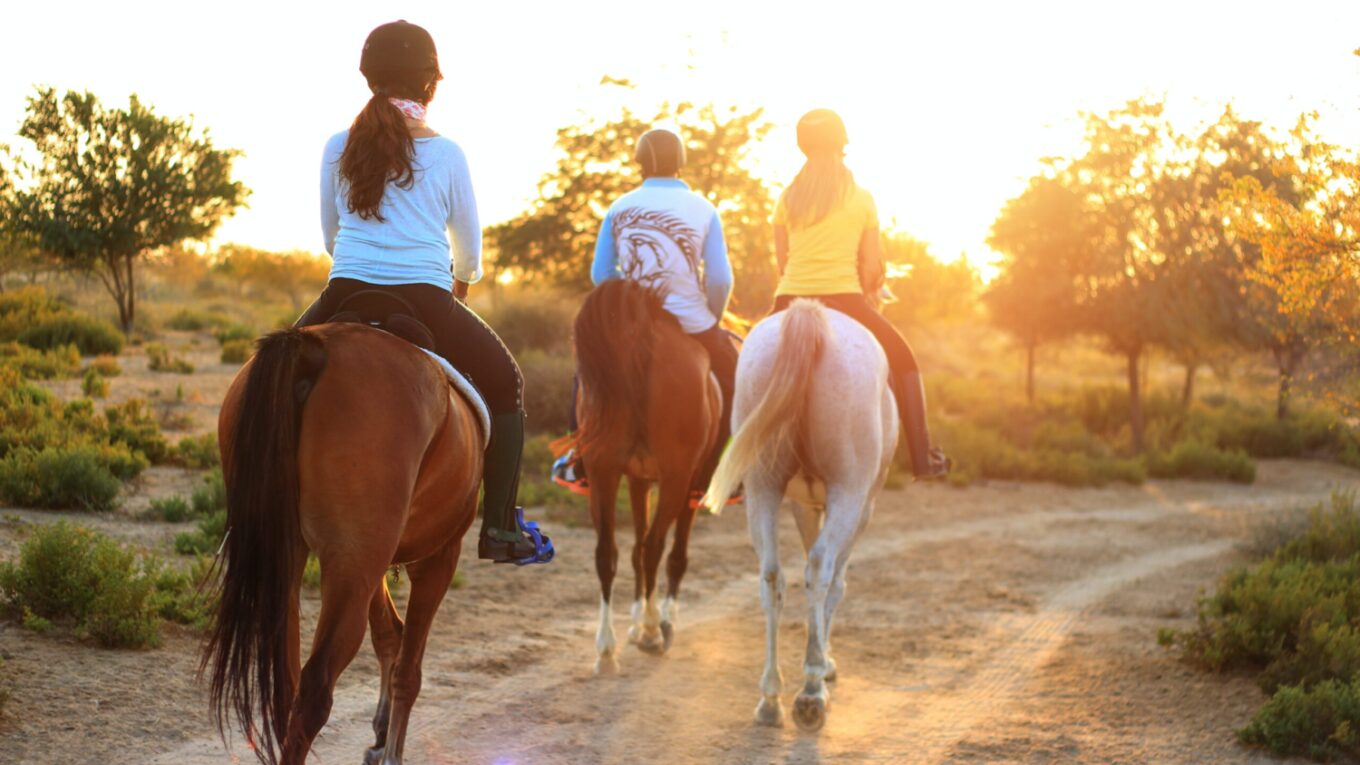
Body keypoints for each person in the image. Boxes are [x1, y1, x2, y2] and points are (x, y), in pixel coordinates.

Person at [296, 20, 551, 564]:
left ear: (370, 79)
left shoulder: (337, 146)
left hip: (343, 292)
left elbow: (328, 234)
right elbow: (471, 250)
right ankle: (501, 529)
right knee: (507, 384)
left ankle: (245, 517)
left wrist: (364, 262)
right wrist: (463, 280)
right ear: (430, 85)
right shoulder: (448, 154)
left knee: (265, 384)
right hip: (428, 299)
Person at [552, 128, 738, 503]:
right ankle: (715, 474)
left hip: (634, 326)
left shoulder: (619, 207)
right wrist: (711, 318)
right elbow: (719, 278)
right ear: (681, 163)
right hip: (691, 320)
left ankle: (580, 461)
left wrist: (629, 306)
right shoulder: (704, 209)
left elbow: (601, 275)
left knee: (587, 377)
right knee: (735, 379)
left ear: (638, 163)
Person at [771, 109, 949, 479]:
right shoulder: (862, 198)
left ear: (803, 148)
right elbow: (870, 266)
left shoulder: (787, 198)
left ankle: (732, 463)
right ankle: (922, 457)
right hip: (846, 300)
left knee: (743, 368)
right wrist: (869, 291)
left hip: (788, 299)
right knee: (904, 359)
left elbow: (782, 260)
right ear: (842, 145)